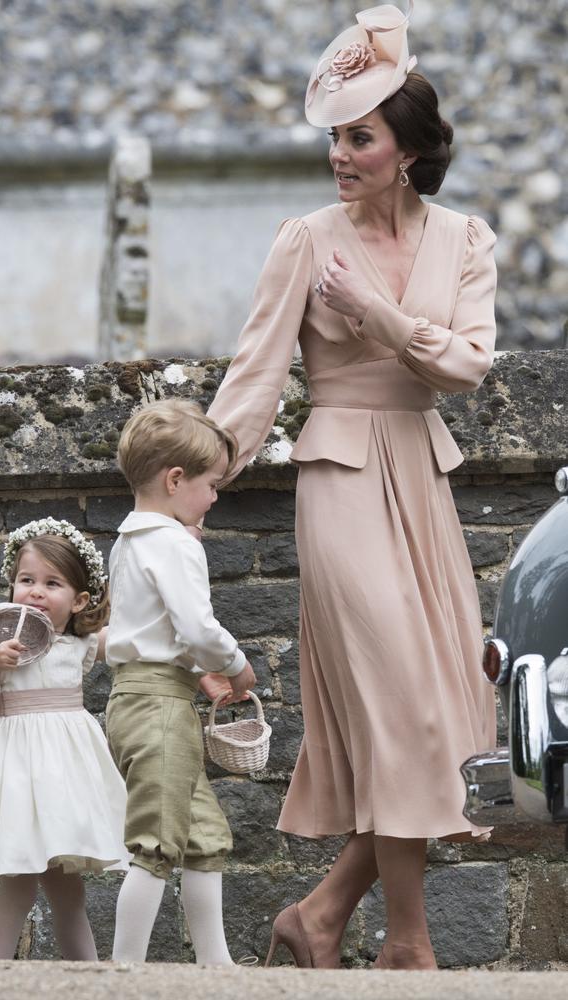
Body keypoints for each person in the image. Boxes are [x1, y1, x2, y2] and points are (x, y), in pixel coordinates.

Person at [207, 0, 497, 971]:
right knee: (400, 703)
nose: (339, 153)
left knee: (439, 716)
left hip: (418, 474)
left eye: (358, 136)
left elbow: (460, 369)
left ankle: (323, 913)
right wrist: (196, 476)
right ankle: (406, 943)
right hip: (335, 477)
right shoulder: (303, 237)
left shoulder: (464, 241)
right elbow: (252, 379)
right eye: (333, 136)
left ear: (405, 149)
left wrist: (373, 314)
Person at [0, 518, 128, 960]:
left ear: (79, 601)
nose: (35, 591)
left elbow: (138, 641)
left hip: (63, 780)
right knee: (17, 891)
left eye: (52, 584)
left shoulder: (81, 645)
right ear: (11, 585)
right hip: (13, 776)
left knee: (70, 895)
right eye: (26, 580)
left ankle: (88, 981)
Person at [106, 399, 257, 965]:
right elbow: (196, 626)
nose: (216, 497)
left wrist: (199, 679)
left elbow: (153, 629)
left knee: (203, 836)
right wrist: (234, 665)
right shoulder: (173, 542)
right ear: (176, 479)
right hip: (158, 709)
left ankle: (215, 965)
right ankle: (125, 970)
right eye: (213, 484)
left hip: (143, 697)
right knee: (156, 842)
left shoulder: (129, 542)